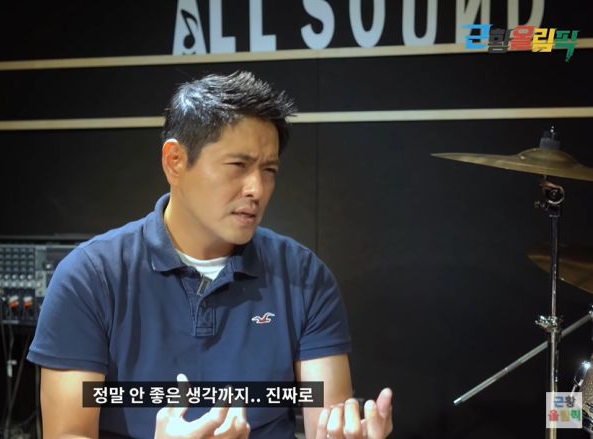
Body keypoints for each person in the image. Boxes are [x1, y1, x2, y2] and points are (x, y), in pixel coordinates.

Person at [28, 71, 393, 439]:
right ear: (175, 161)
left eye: (269, 170)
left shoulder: (304, 276)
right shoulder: (89, 277)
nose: (257, 189)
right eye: (238, 166)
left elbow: (326, 422)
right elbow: (67, 433)